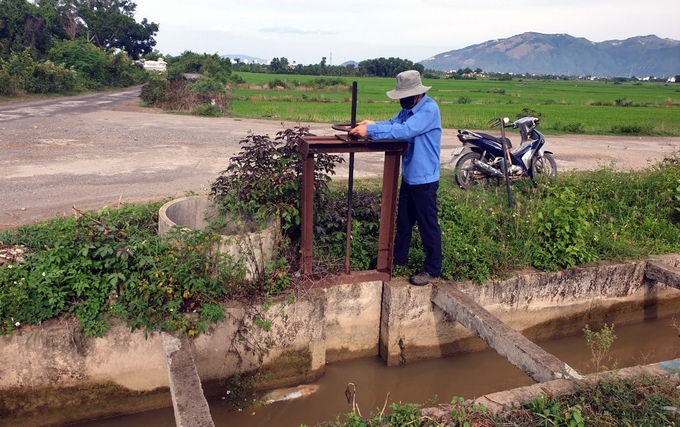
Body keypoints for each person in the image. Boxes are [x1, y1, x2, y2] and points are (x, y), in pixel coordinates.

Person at [350, 70, 442, 286]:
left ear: (416, 94)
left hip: (425, 178)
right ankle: (398, 260)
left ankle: (432, 268)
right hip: (410, 176)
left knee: (427, 224)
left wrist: (370, 130)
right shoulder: (409, 109)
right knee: (404, 221)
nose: (401, 100)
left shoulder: (428, 109)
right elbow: (393, 123)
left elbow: (404, 131)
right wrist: (372, 125)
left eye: (404, 96)